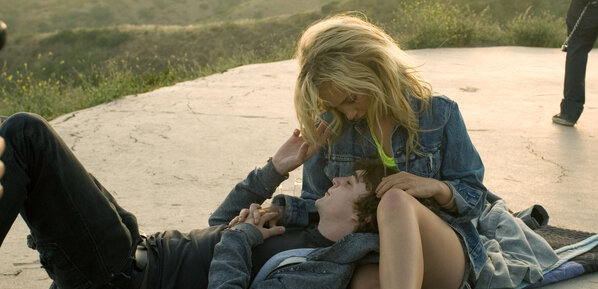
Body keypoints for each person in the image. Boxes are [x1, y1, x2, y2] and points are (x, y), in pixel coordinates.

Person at [0, 112, 393, 289]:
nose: (335, 178)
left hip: (126, 277)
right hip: (137, 247)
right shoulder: (299, 223)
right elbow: (218, 223)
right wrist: (275, 168)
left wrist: (241, 238)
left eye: (350, 182)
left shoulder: (317, 271)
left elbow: (229, 245)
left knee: (26, 134)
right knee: (17, 146)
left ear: (363, 217)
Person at [283, 14, 488, 289]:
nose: (349, 113)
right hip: (365, 254)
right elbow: (315, 202)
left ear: (377, 70)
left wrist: (435, 188)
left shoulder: (439, 114)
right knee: (364, 283)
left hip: (437, 250)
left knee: (395, 201)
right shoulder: (331, 127)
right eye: (337, 106)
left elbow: (476, 199)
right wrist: (277, 212)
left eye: (352, 98)